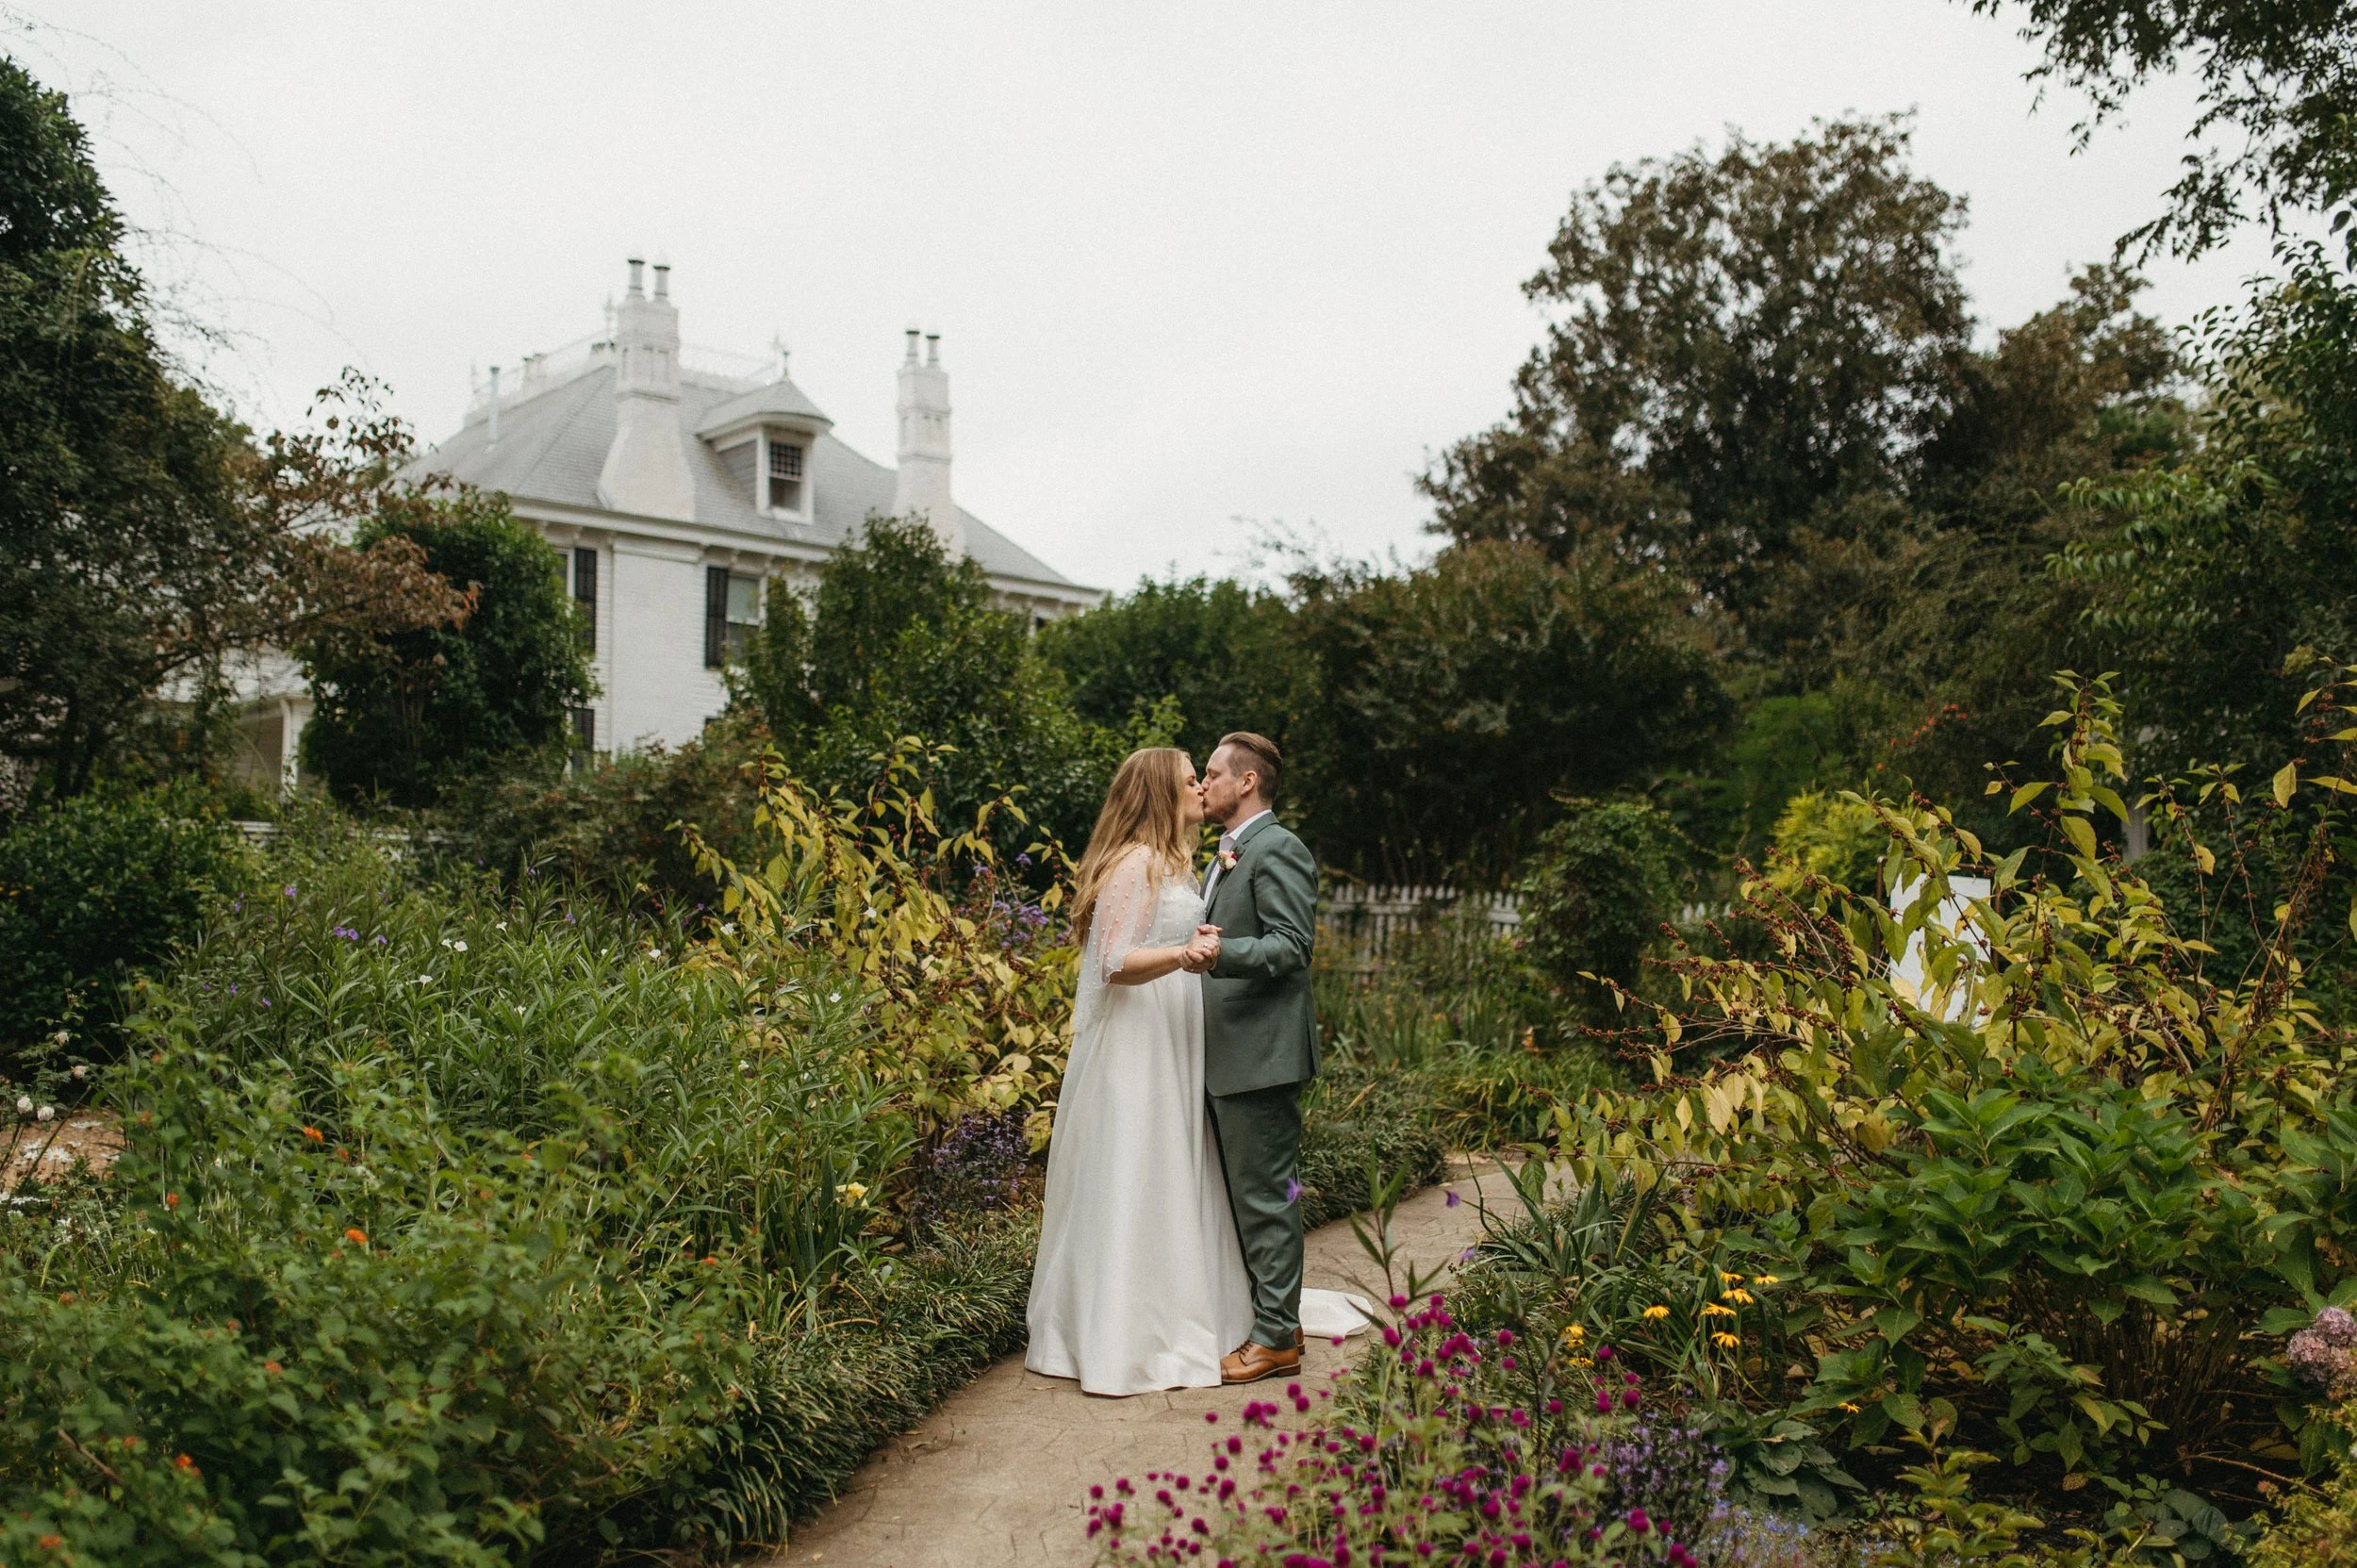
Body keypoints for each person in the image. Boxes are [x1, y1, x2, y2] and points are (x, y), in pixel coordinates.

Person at [1024, 748, 1253, 1394]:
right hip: (1136, 1039)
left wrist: (1195, 940)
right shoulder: (1134, 862)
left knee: (1170, 1166)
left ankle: (1178, 1307)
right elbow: (1113, 962)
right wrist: (1185, 952)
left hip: (1169, 1029)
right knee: (1136, 1166)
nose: (1200, 789)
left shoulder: (1172, 862)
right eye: (1189, 780)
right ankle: (1122, 1332)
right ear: (1161, 792)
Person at [1185, 732, 1325, 1385]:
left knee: (1267, 1197)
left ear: (1246, 782)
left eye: (1212, 773)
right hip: (1233, 1053)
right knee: (1253, 1196)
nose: (1203, 784)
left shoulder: (1279, 847)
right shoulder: (1232, 850)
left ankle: (1274, 1341)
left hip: (1261, 1056)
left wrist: (1221, 951)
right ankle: (1281, 1320)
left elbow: (1292, 948)